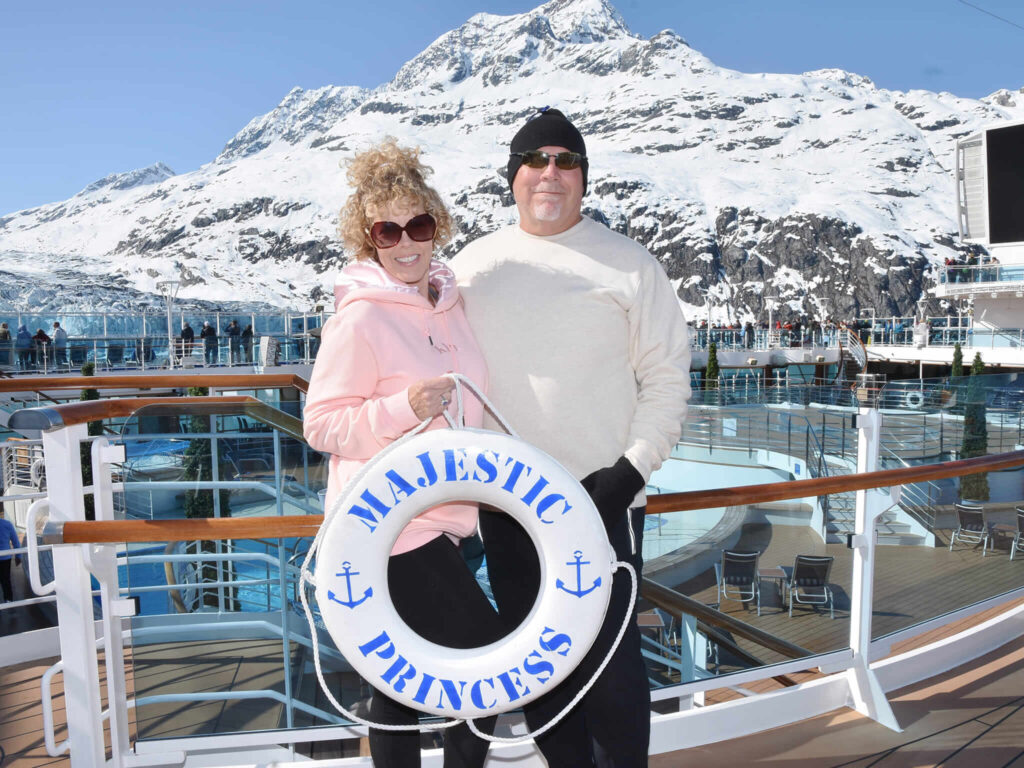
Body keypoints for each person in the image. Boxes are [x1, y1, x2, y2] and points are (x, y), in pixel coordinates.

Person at [452, 107, 691, 768]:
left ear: (584, 178)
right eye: (535, 159)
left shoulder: (629, 265)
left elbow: (667, 378)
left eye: (566, 160)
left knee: (612, 671)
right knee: (543, 675)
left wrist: (628, 474)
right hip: (509, 506)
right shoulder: (474, 267)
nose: (549, 172)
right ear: (513, 177)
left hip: (603, 504)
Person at [303, 139, 502, 768]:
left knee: (399, 689)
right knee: (484, 665)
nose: (406, 242)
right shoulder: (359, 321)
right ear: (370, 241)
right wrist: (401, 409)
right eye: (388, 231)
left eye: (417, 224)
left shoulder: (451, 306)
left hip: (445, 521)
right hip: (387, 527)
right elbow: (322, 425)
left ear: (435, 224)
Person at [0, 509, 20, 603]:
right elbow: (16, 541)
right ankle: (9, 601)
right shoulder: (7, 524)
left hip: (5, 557)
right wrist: (18, 556)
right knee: (6, 580)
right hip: (5, 557)